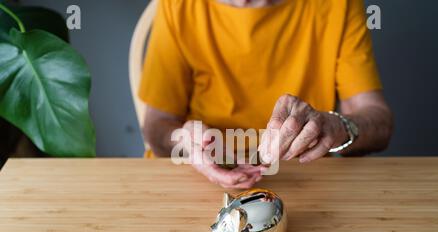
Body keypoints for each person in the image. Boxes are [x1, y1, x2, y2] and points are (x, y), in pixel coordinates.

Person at [139, 0, 394, 189]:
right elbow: (156, 126)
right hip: (195, 183)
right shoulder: (177, 6)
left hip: (306, 184)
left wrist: (337, 127)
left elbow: (379, 122)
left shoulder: (339, 6)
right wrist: (186, 143)